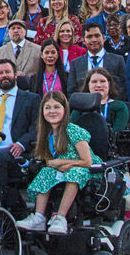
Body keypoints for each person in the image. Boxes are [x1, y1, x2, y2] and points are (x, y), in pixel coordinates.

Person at [16, 91, 100, 234]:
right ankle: (39, 217)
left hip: (89, 170)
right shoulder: (46, 133)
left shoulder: (72, 130)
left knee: (75, 173)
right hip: (62, 169)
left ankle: (60, 218)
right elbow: (49, 160)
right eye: (48, 108)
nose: (52, 111)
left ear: (64, 110)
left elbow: (87, 161)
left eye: (56, 107)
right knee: (45, 172)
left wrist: (64, 163)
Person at [0, 59, 39, 209]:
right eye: (0, 73)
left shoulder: (31, 99)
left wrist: (22, 144)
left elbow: (36, 128)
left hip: (14, 151)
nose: (4, 76)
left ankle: (4, 205)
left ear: (15, 74)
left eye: (7, 72)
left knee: (0, 158)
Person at [69, 23, 127, 95]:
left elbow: (123, 87)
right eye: (89, 37)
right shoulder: (76, 63)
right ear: (83, 41)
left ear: (103, 38)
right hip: (84, 105)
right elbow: (71, 91)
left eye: (97, 36)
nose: (94, 40)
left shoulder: (118, 60)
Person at [72, 68, 130, 134]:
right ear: (88, 85)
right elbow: (72, 130)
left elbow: (117, 132)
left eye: (102, 81)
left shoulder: (120, 106)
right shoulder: (80, 107)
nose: (98, 85)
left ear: (109, 84)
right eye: (94, 82)